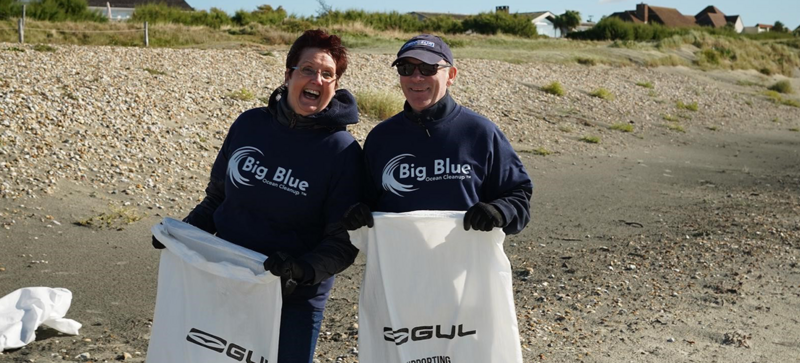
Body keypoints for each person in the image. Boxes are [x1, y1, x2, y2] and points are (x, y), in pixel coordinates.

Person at [152, 29, 363, 363]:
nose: (317, 79)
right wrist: (183, 235)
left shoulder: (343, 151)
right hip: (229, 278)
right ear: (288, 74)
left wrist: (301, 269)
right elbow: (216, 199)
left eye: (328, 74)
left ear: (335, 86)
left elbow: (344, 241)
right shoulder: (250, 124)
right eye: (308, 69)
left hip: (293, 297)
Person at [341, 34, 532, 234]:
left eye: (428, 68)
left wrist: (500, 211)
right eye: (406, 68)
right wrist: (358, 211)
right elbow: (362, 199)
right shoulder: (381, 138)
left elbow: (518, 195)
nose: (416, 77)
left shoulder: (480, 132)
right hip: (399, 260)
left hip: (467, 261)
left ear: (451, 75)